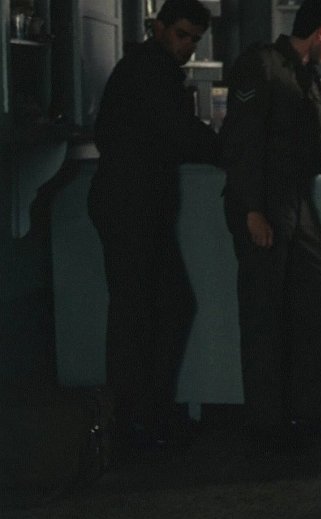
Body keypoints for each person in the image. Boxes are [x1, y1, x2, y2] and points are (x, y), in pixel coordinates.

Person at [220, 0, 321, 454]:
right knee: (263, 315)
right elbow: (241, 141)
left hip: (296, 201)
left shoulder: (304, 74)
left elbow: (293, 138)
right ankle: (266, 427)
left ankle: (310, 413)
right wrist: (252, 209)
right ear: (320, 32)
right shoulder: (261, 65)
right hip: (263, 203)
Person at [88, 0, 219, 457]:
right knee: (147, 312)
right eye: (182, 35)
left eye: (194, 40)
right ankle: (139, 422)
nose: (187, 47)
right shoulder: (151, 71)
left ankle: (140, 420)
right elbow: (181, 134)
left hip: (128, 203)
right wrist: (230, 150)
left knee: (145, 311)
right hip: (132, 206)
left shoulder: (143, 67)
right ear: (158, 27)